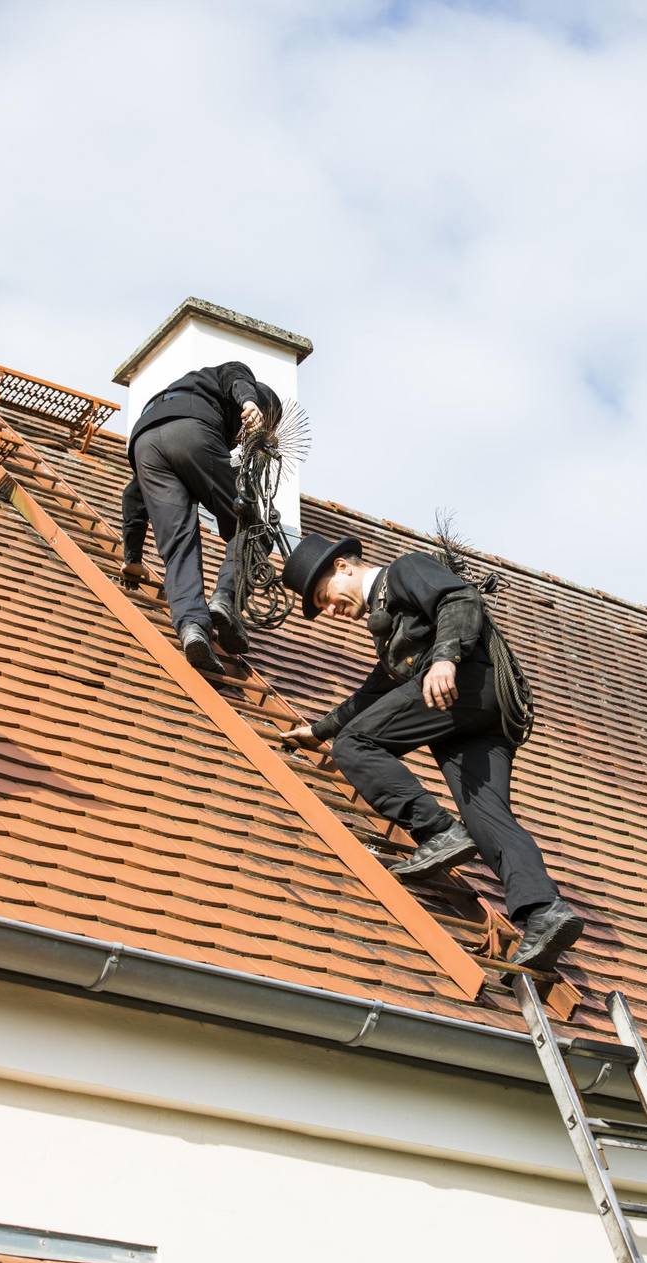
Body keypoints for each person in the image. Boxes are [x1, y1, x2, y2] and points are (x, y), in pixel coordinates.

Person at [279, 533, 584, 973]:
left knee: (356, 745)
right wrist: (321, 730)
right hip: (473, 712)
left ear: (343, 567)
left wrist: (444, 659)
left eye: (323, 596)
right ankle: (544, 911)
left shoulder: (404, 571)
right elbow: (372, 694)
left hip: (464, 684)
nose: (329, 610)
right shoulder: (389, 624)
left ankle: (437, 831)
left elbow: (459, 600)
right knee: (486, 814)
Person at [120, 363, 282, 676]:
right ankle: (225, 600)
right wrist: (250, 402)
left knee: (178, 545)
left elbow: (134, 496)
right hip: (193, 430)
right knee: (253, 528)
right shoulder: (235, 381)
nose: (243, 436)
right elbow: (237, 376)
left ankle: (192, 628)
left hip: (144, 442)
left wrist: (133, 558)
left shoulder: (186, 389)